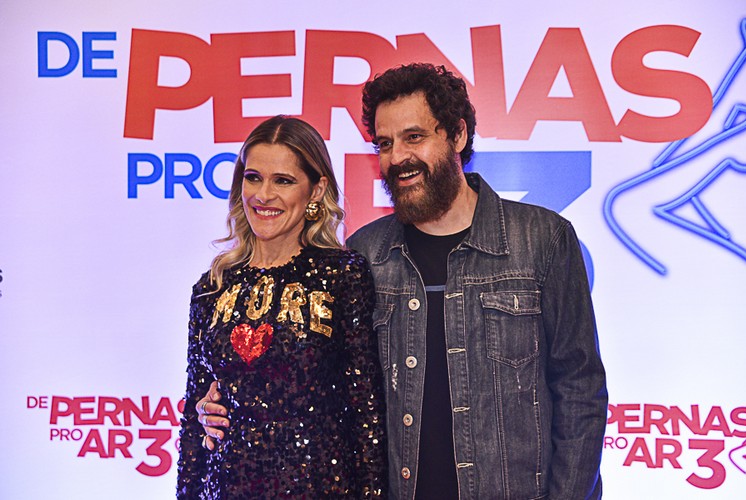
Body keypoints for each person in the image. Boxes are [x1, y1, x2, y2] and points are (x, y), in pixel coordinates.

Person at [200, 63, 608, 499]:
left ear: (458, 135)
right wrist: (226, 399)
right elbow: (320, 388)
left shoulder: (541, 240)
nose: (397, 158)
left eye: (414, 137)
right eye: (385, 143)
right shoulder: (363, 255)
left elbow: (580, 389)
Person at [177, 115, 388, 498]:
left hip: (318, 488)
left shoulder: (342, 275)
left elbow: (366, 413)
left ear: (316, 190)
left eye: (283, 181)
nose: (263, 195)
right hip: (227, 488)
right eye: (253, 177)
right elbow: (194, 422)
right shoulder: (212, 288)